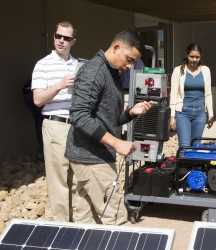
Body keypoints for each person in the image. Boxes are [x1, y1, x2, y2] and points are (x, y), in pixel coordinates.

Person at [65, 30, 153, 225]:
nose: (130, 66)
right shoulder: (94, 71)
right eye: (129, 60)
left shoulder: (111, 73)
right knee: (114, 217)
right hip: (91, 157)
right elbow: (79, 116)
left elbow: (107, 119)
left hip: (93, 155)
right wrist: (116, 143)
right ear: (116, 48)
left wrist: (130, 113)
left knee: (85, 217)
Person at [31, 20, 79, 222]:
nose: (61, 41)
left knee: (77, 177)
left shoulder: (78, 65)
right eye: (58, 36)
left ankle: (78, 222)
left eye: (66, 38)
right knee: (58, 178)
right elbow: (38, 99)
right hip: (55, 123)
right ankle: (62, 226)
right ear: (53, 37)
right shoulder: (43, 65)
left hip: (77, 126)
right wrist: (60, 85)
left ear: (73, 41)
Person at [169, 43, 214, 147]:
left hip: (200, 113)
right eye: (192, 56)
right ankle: (183, 163)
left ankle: (193, 164)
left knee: (196, 145)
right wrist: (172, 116)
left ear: (200, 56)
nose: (194, 59)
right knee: (184, 146)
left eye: (197, 57)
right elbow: (174, 95)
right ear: (186, 55)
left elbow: (208, 93)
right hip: (182, 113)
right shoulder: (178, 70)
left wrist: (210, 114)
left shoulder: (206, 70)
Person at [22, 79, 44, 159]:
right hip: (37, 94)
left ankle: (41, 151)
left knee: (39, 122)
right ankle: (43, 151)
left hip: (27, 94)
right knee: (45, 122)